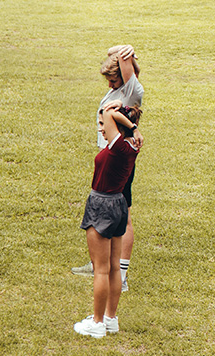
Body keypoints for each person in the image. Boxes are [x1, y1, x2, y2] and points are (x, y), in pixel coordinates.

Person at [71, 45, 144, 292]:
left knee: (124, 215)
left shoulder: (132, 90)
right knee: (109, 213)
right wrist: (125, 50)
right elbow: (113, 51)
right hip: (109, 155)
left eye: (114, 80)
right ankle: (100, 263)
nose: (111, 85)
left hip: (118, 158)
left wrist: (128, 53)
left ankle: (120, 275)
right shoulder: (120, 89)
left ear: (125, 76)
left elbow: (123, 59)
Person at [74, 104, 142, 338]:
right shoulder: (132, 146)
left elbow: (109, 114)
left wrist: (127, 123)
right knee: (114, 268)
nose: (101, 128)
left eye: (104, 126)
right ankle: (111, 319)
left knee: (101, 270)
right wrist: (131, 127)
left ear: (119, 127)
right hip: (118, 204)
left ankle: (97, 322)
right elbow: (110, 113)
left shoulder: (118, 147)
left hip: (102, 205)